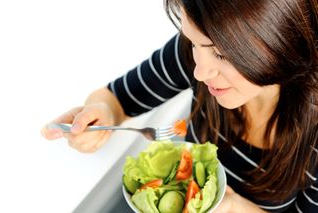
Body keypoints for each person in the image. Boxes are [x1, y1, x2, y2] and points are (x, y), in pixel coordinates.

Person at [41, 0, 318, 212]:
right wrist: (100, 114)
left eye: (221, 54)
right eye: (194, 42)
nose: (199, 72)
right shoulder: (195, 54)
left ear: (281, 46)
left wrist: (236, 207)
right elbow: (117, 99)